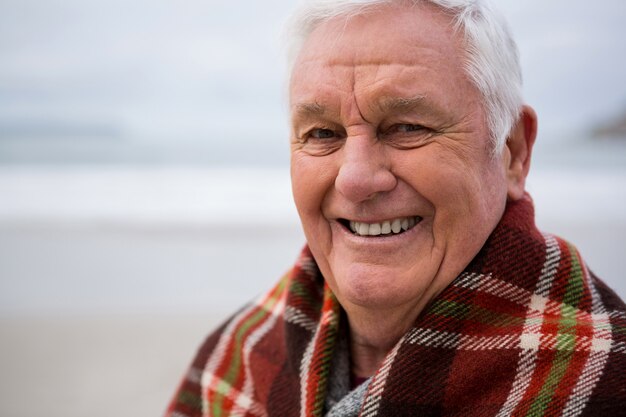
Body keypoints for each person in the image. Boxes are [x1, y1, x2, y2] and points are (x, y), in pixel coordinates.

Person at [165, 1, 626, 415]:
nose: (356, 179)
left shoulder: (607, 378)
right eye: (323, 134)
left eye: (406, 126)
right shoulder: (240, 354)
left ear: (512, 152)